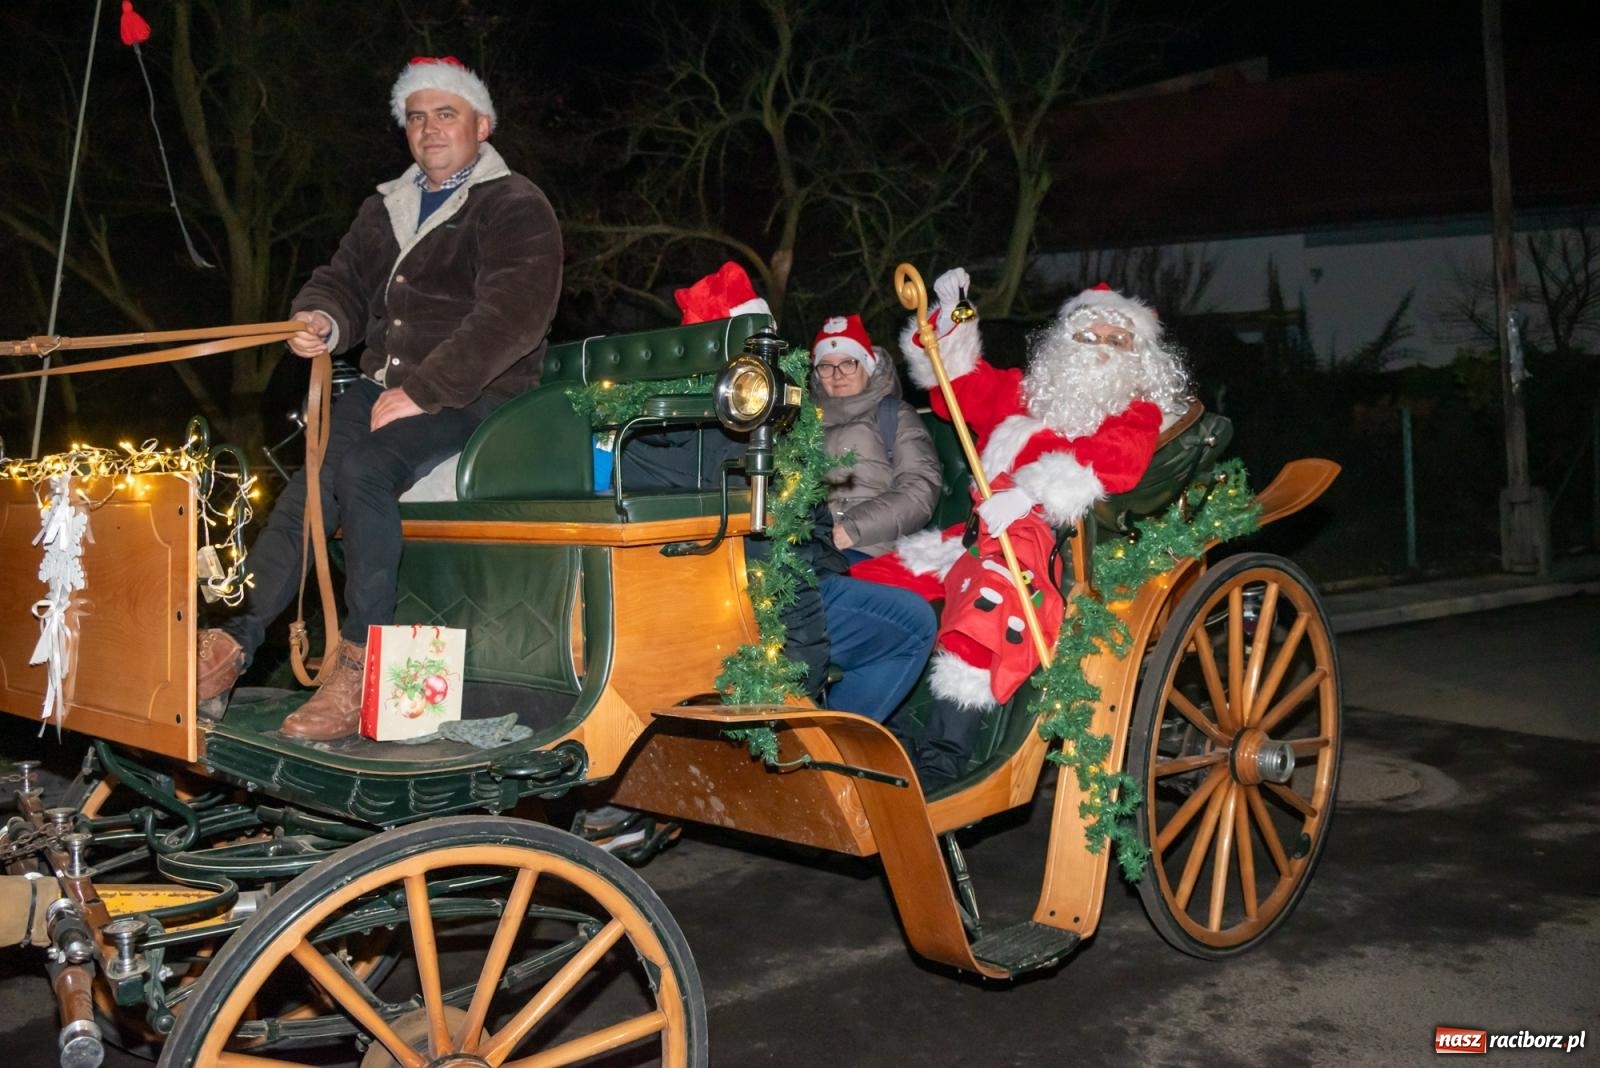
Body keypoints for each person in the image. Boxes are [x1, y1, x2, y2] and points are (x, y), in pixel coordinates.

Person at [195, 55, 563, 740]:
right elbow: (344, 283)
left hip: (484, 393)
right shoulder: (384, 207)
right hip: (382, 385)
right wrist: (323, 321)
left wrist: (424, 390)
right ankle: (231, 645)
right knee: (310, 487)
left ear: (482, 125)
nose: (429, 128)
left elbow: (513, 315)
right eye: (415, 117)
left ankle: (362, 662)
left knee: (366, 469)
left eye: (445, 113)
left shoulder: (515, 205)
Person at [854, 268, 1191, 791]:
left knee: (990, 599)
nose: (1099, 348)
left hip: (1049, 549)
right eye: (1087, 336)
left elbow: (1117, 462)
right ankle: (878, 732)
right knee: (867, 588)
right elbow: (957, 386)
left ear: (1138, 354)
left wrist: (1032, 493)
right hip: (971, 538)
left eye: (1116, 340)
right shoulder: (1021, 393)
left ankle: (945, 758)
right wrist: (950, 319)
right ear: (1064, 343)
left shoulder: (1137, 409)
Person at [810, 314, 942, 561]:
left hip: (873, 549)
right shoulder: (804, 425)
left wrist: (856, 527)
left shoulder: (894, 415)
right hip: (810, 551)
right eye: (826, 366)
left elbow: (921, 486)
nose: (837, 375)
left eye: (848, 363)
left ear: (867, 366)